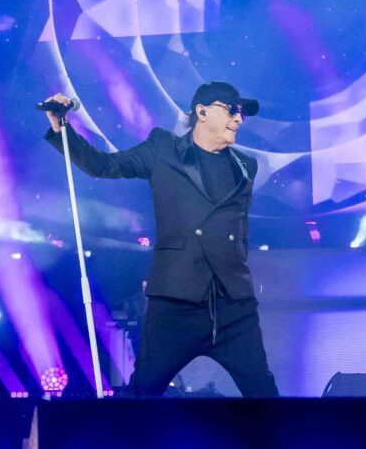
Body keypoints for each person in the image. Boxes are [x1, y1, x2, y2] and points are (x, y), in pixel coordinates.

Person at [44, 81, 278, 397]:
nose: (239, 118)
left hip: (232, 306)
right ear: (202, 111)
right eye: (232, 110)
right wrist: (62, 129)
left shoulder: (245, 166)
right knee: (143, 393)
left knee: (264, 396)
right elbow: (104, 166)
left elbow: (239, 228)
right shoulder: (163, 150)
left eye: (242, 113)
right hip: (176, 301)